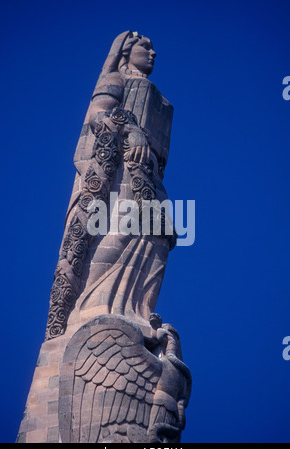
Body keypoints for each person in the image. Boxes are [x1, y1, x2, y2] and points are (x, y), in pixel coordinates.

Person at [45, 31, 175, 340]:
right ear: (127, 51)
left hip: (149, 174)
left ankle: (136, 311)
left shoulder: (159, 97)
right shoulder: (116, 79)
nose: (153, 53)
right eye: (146, 46)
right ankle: (92, 311)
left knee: (159, 237)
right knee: (117, 235)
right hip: (120, 168)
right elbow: (97, 114)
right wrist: (131, 130)